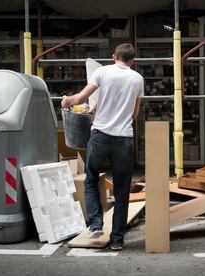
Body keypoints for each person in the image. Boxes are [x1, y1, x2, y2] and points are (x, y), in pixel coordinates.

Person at [61, 43, 144, 251]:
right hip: (123, 139)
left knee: (91, 180)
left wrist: (66, 100)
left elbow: (79, 98)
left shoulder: (102, 72)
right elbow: (134, 114)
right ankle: (117, 241)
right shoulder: (137, 79)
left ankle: (96, 224)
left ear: (114, 56)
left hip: (100, 137)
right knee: (122, 191)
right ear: (132, 60)